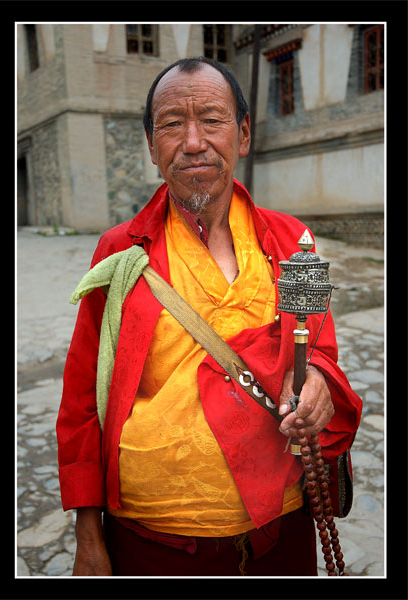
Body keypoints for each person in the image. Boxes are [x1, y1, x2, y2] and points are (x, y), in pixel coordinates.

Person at [56, 57, 362, 577]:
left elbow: (320, 352)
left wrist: (318, 384)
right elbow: (84, 396)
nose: (193, 142)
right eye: (172, 124)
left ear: (243, 135)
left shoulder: (293, 242)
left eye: (212, 120)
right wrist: (88, 535)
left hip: (281, 527)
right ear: (151, 145)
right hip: (154, 538)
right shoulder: (120, 252)